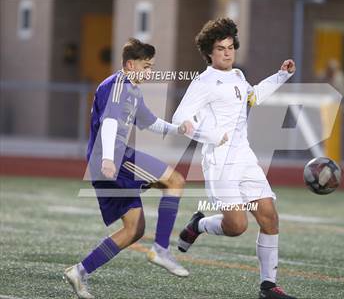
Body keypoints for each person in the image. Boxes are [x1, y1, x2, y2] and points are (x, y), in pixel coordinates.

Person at [172, 18, 297, 299]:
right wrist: (210, 134)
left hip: (245, 158)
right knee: (237, 227)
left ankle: (268, 286)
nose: (227, 53)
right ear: (209, 53)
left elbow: (252, 98)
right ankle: (199, 225)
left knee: (270, 218)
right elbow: (179, 118)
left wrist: (280, 76)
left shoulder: (238, 76)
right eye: (220, 48)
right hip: (219, 163)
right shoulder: (203, 82)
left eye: (230, 47)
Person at [64, 38, 194, 299]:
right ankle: (160, 249)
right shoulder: (118, 86)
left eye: (152, 67)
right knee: (176, 181)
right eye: (146, 67)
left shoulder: (132, 88)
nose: (150, 72)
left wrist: (176, 129)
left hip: (109, 162)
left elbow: (150, 122)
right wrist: (110, 159)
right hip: (116, 159)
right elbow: (110, 122)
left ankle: (79, 271)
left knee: (134, 229)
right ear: (130, 64)